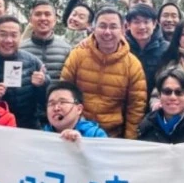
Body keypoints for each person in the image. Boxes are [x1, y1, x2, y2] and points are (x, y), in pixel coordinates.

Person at [59, 7, 147, 137]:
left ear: (123, 29)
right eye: (102, 26)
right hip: (76, 132)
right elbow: (64, 92)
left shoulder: (133, 65)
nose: (107, 32)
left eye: (113, 27)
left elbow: (136, 108)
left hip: (112, 136)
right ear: (93, 29)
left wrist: (129, 142)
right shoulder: (77, 55)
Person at [0, 16, 49, 129]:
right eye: (3, 34)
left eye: (14, 35)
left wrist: (42, 84)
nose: (8, 40)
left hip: (29, 127)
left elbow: (46, 100)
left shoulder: (33, 62)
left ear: (20, 37)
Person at [21, 0, 72, 81]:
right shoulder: (21, 49)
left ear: (55, 20)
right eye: (38, 14)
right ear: (30, 20)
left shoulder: (67, 50)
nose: (43, 18)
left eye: (47, 14)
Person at [125, 3, 168, 87]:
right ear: (128, 25)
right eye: (136, 22)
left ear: (154, 24)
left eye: (146, 22)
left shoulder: (166, 49)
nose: (142, 27)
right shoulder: (121, 47)